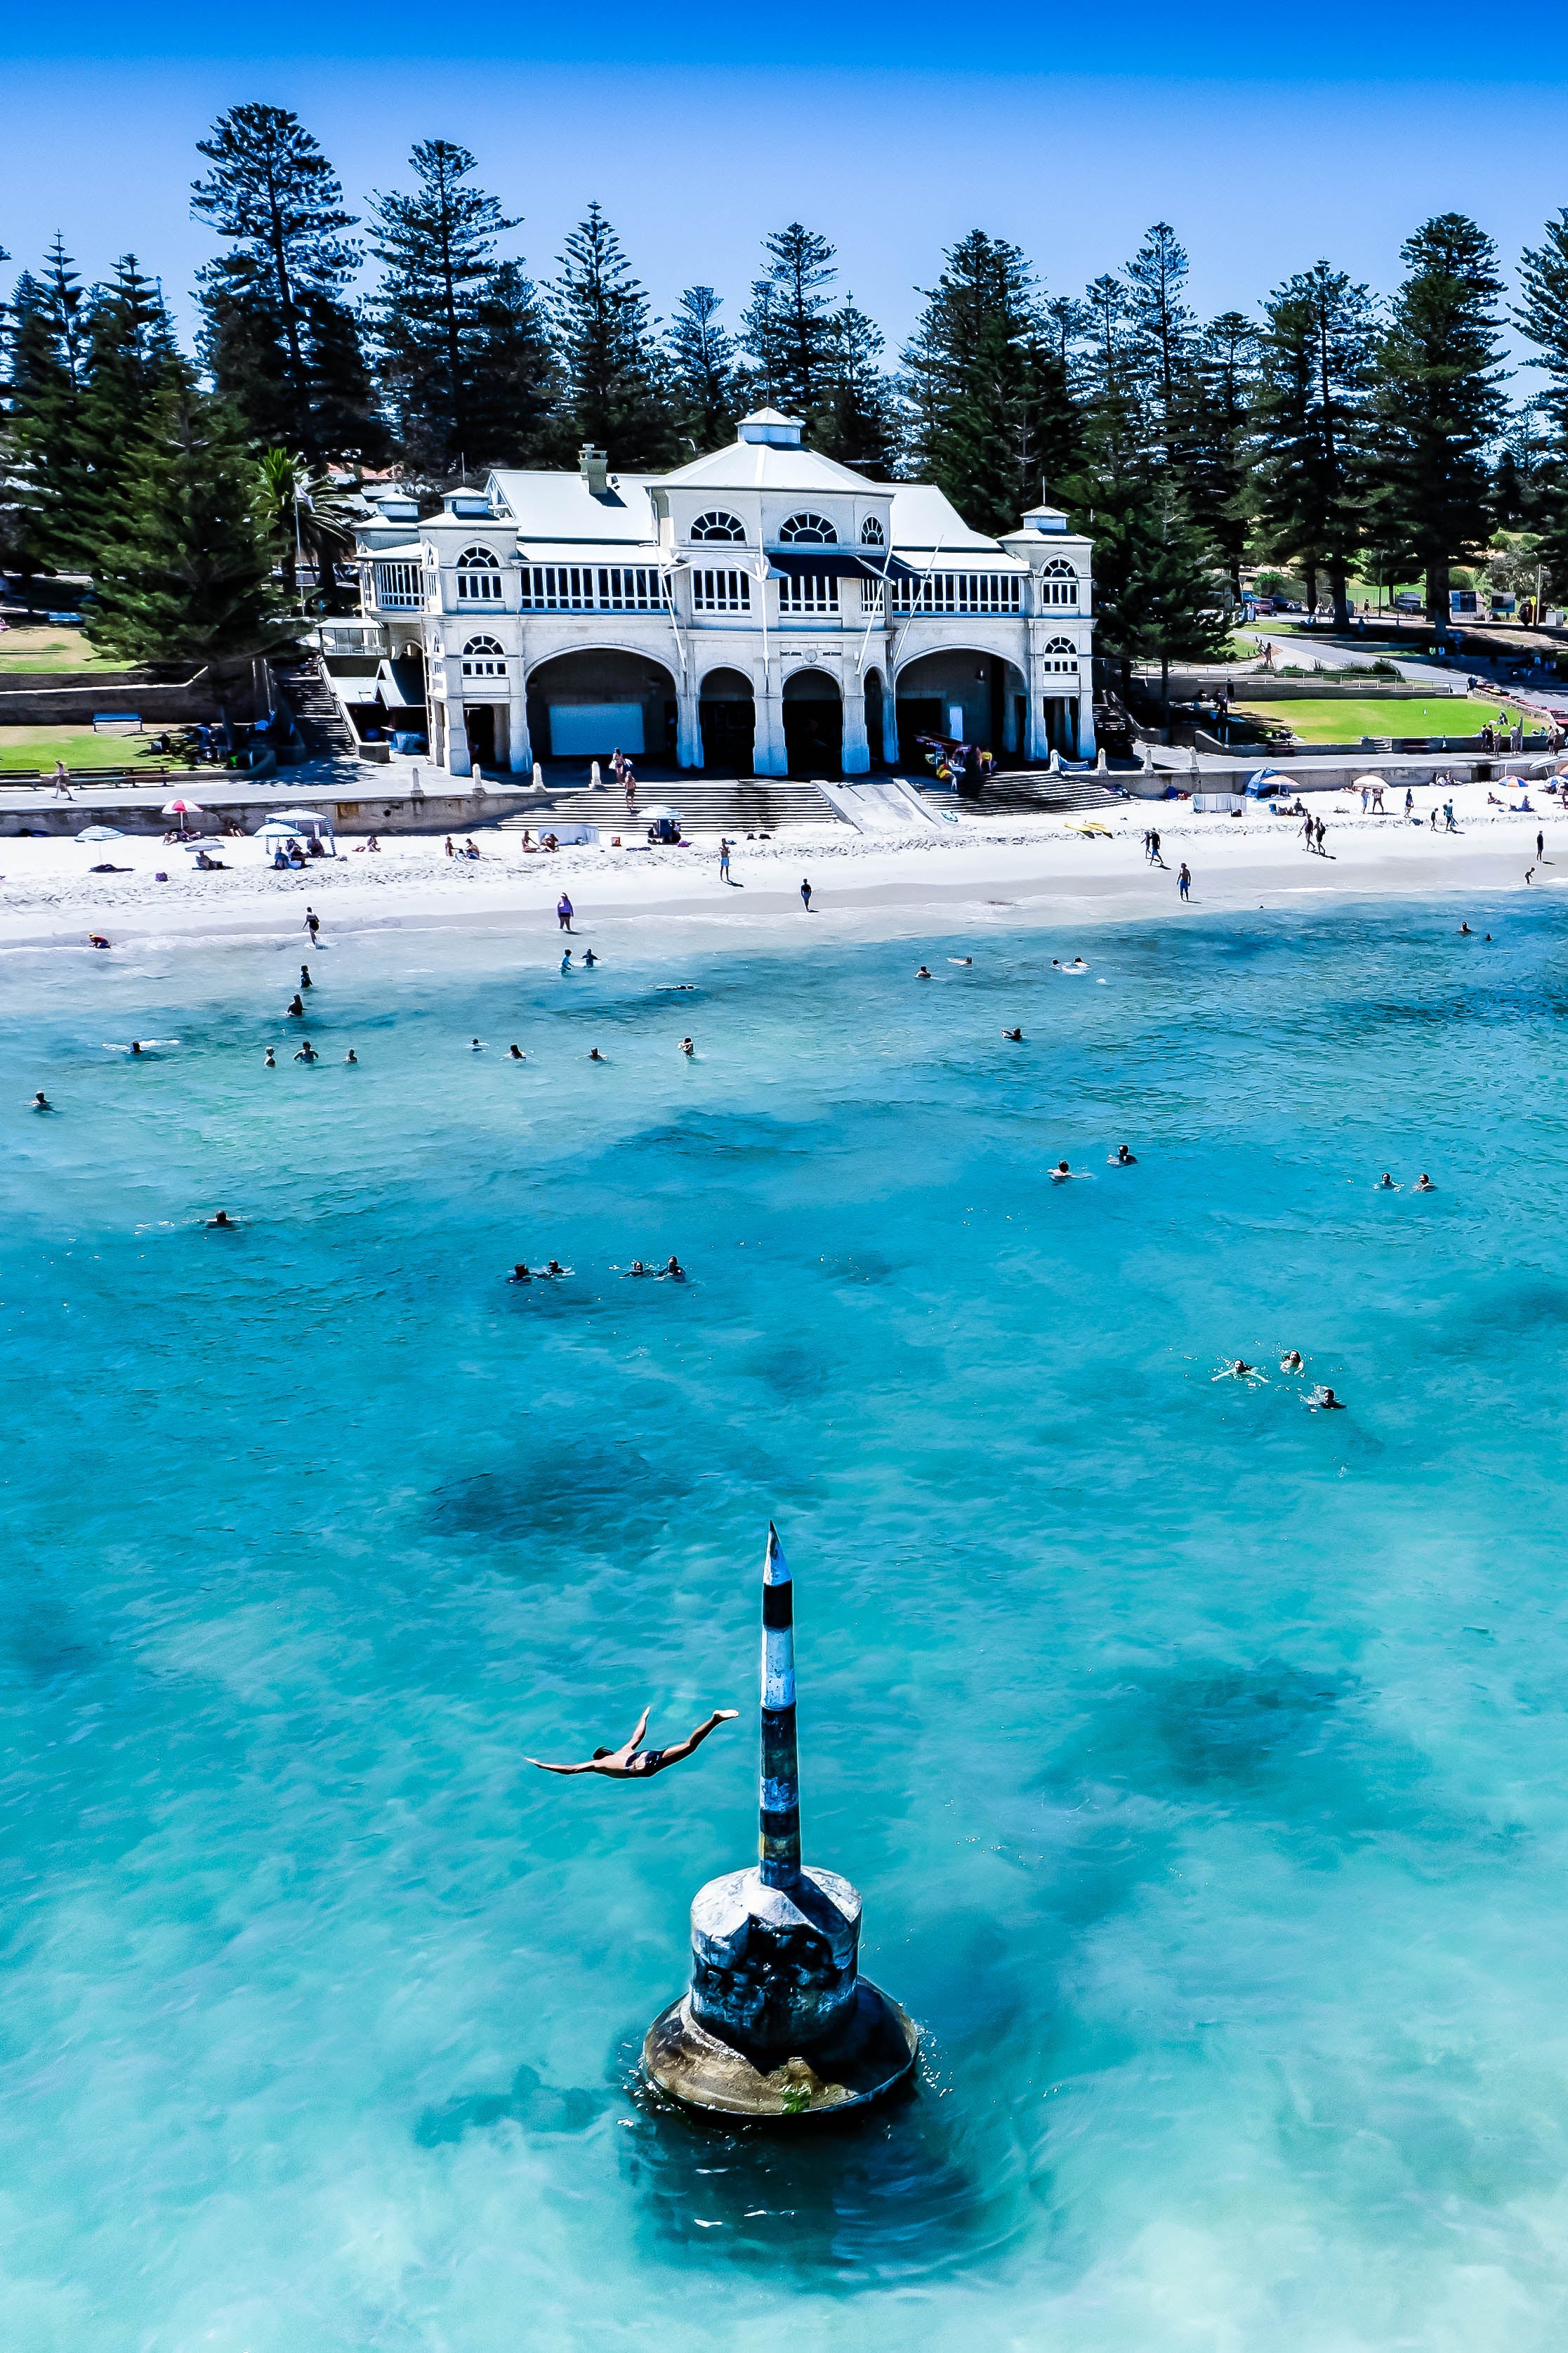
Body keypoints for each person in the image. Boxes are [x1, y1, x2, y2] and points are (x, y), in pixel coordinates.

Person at [527, 1702, 739, 1780]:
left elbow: (569, 1769)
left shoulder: (597, 1764)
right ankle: (715, 1720)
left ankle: (716, 1719)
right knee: (689, 1745)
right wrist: (644, 1716)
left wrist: (542, 1764)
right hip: (644, 1755)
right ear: (609, 1751)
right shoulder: (624, 1749)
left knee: (688, 1748)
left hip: (638, 1767)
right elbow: (638, 1735)